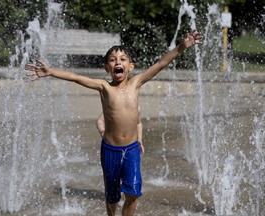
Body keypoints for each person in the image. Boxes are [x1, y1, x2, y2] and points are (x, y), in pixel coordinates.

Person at [25, 29, 202, 216]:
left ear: (131, 66)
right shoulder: (104, 87)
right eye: (112, 59)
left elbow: (160, 63)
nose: (118, 62)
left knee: (133, 193)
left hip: (132, 149)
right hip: (110, 150)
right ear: (107, 68)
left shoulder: (136, 83)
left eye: (123, 59)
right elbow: (76, 77)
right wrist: (50, 71)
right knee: (112, 197)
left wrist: (182, 46)